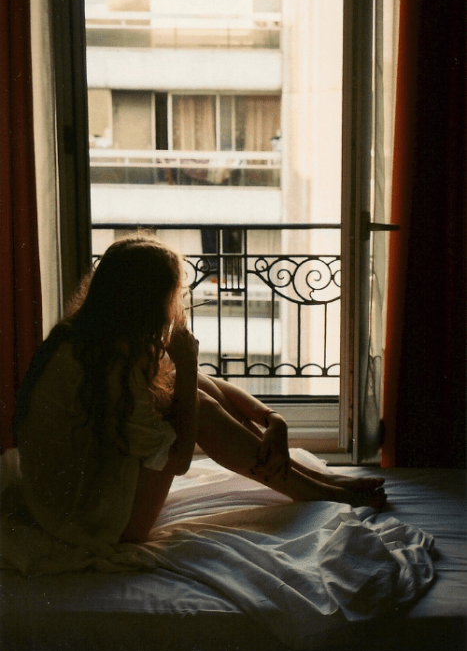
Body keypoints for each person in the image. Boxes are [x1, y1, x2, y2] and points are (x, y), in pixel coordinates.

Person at [14, 234, 385, 548]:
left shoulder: (96, 336)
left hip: (74, 498)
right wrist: (189, 364)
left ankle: (316, 481)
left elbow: (196, 386)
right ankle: (313, 489)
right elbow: (179, 462)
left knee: (187, 388)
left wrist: (274, 419)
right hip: (89, 522)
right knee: (195, 402)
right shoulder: (106, 364)